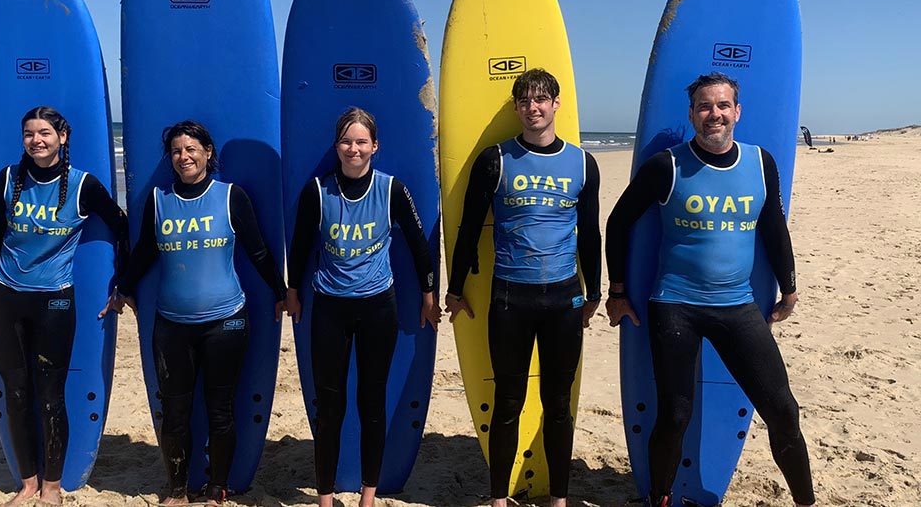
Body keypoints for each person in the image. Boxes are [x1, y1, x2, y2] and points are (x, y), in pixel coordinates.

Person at [605, 72, 815, 507]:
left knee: (782, 409)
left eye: (722, 106)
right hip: (675, 306)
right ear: (692, 114)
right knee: (676, 414)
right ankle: (660, 499)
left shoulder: (761, 163)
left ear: (737, 112)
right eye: (704, 106)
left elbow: (774, 228)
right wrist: (618, 290)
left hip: (737, 305)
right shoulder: (667, 166)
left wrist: (789, 288)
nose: (713, 114)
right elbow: (618, 222)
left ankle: (806, 502)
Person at [102, 120, 287, 506]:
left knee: (220, 411)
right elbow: (145, 253)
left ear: (207, 152)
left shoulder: (230, 196)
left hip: (226, 322)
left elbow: (258, 251)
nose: (183, 157)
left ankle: (217, 490)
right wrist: (123, 287)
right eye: (176, 151)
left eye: (190, 149)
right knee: (175, 413)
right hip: (171, 325)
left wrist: (282, 293)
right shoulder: (159, 201)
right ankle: (177, 490)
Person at [444, 68, 602, 507]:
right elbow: (469, 228)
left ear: (556, 104)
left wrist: (595, 294)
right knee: (508, 401)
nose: (533, 107)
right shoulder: (495, 160)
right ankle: (498, 498)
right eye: (525, 101)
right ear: (516, 108)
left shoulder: (582, 163)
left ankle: (559, 498)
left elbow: (590, 233)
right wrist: (455, 290)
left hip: (565, 299)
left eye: (541, 99)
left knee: (557, 403)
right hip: (511, 298)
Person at [0, 106, 128, 507]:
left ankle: (52, 488)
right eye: (28, 134)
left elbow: (121, 226)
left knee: (51, 394)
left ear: (63, 137)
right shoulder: (9, 178)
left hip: (54, 299)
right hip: (6, 295)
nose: (36, 140)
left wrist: (121, 282)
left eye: (44, 133)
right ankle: (28, 484)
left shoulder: (82, 186)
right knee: (16, 391)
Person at [286, 107, 440, 507]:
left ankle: (368, 497)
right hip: (330, 308)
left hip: (378, 309)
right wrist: (291, 291)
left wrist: (428, 293)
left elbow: (420, 245)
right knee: (330, 407)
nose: (354, 149)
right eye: (346, 141)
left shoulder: (391, 190)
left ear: (375, 146)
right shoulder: (317, 191)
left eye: (361, 142)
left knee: (372, 404)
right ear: (337, 146)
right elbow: (300, 247)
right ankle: (325, 497)